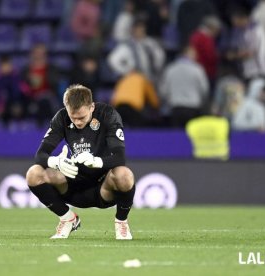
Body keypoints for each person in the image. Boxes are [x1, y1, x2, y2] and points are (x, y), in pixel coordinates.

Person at [26, 84, 135, 240]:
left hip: (103, 187)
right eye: (73, 117)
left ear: (91, 107)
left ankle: (121, 222)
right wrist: (56, 162)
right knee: (33, 173)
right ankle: (68, 218)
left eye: (81, 117)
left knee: (125, 175)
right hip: (72, 184)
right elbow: (40, 155)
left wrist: (96, 161)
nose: (77, 122)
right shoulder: (61, 117)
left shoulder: (107, 114)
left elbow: (120, 158)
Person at [159, 45, 209, 128]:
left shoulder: (170, 69)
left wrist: (169, 100)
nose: (196, 57)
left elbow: (163, 90)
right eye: (194, 54)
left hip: (176, 107)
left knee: (177, 138)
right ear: (186, 54)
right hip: (193, 107)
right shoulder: (198, 69)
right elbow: (204, 89)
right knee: (191, 137)